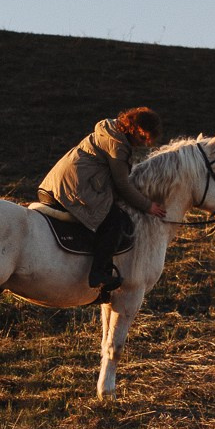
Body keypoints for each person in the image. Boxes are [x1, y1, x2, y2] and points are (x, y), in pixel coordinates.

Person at [37, 106, 164, 292]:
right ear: (135, 128)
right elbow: (122, 185)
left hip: (56, 183)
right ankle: (98, 274)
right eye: (143, 137)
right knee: (114, 222)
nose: (144, 144)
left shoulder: (111, 130)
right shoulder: (118, 146)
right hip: (75, 188)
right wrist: (148, 206)